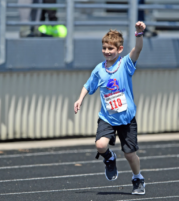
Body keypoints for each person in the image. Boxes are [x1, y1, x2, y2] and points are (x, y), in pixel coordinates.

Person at [74, 21, 146, 195]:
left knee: (130, 154)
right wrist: (80, 99)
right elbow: (87, 85)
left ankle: (137, 178)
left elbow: (137, 50)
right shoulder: (99, 70)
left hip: (126, 118)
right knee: (100, 145)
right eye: (104, 48)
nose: (106, 51)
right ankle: (109, 158)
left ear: (119, 50)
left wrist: (138, 34)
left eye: (110, 49)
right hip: (107, 117)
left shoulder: (126, 65)